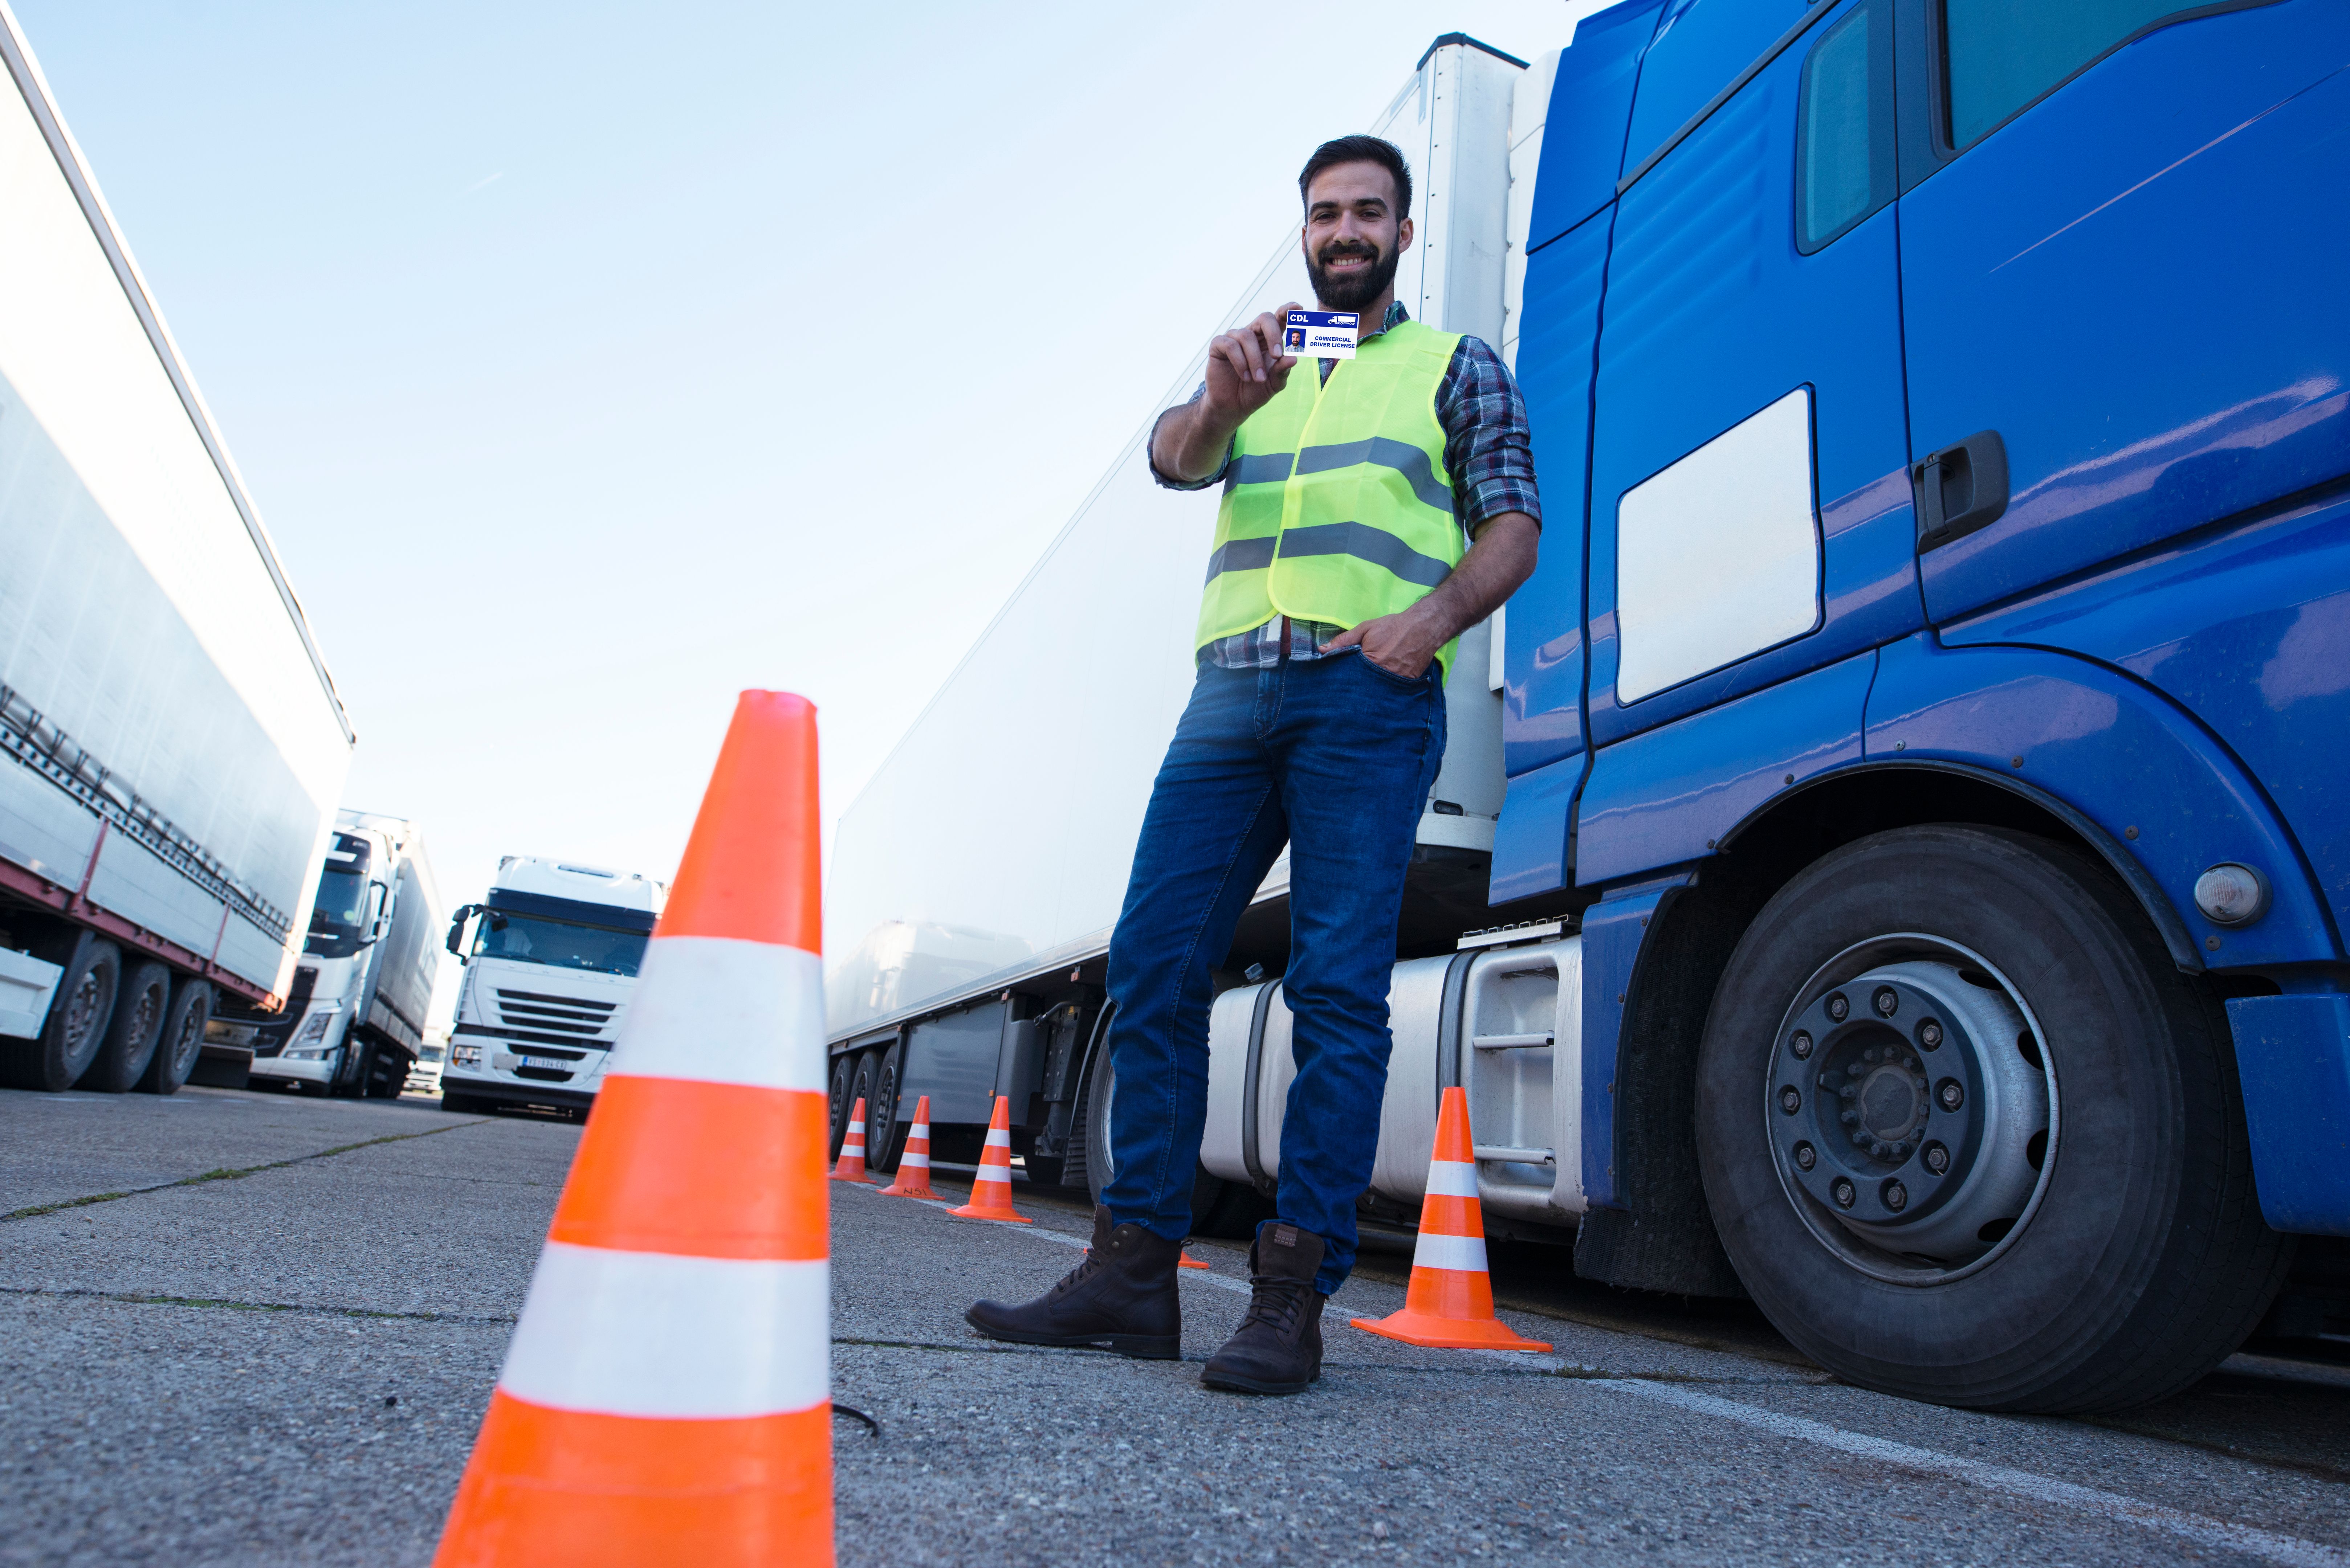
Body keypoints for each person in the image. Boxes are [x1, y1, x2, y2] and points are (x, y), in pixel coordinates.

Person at [966, 134, 1541, 1395]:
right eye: (1325, 213)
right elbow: (1174, 460)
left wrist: (1428, 625)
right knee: (1155, 967)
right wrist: (1229, 398)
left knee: (1336, 991)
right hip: (1227, 695)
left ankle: (1288, 1298)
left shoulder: (1453, 364)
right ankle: (1130, 1279)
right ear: (1304, 234)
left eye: (1368, 213)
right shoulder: (1252, 365)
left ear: (1399, 232)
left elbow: (1513, 523)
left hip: (1367, 700)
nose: (1345, 231)